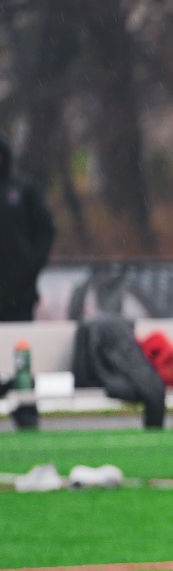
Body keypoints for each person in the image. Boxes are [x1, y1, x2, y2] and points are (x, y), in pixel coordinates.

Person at [1, 135, 55, 431]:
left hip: (19, 293)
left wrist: (30, 267)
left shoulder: (22, 189)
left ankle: (26, 411)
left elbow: (46, 230)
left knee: (21, 355)